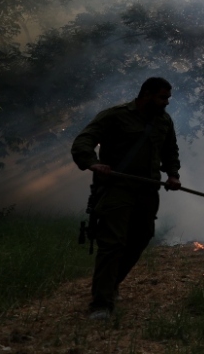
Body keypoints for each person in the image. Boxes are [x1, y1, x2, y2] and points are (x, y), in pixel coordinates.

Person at [71, 77, 182, 319]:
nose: (166, 103)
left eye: (167, 98)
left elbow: (170, 150)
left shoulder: (163, 121)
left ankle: (111, 284)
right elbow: (84, 141)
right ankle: (101, 303)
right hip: (116, 188)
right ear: (146, 94)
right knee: (113, 243)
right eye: (162, 97)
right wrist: (93, 163)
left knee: (141, 237)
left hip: (148, 190)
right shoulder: (115, 115)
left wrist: (173, 175)